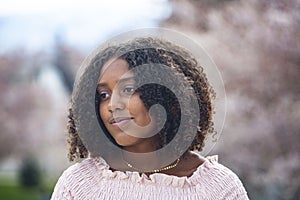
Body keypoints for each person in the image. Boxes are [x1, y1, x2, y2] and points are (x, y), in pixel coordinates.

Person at [51, 36, 249, 199]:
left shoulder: (218, 188)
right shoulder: (80, 185)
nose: (112, 105)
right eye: (104, 95)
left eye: (128, 89)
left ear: (163, 95)